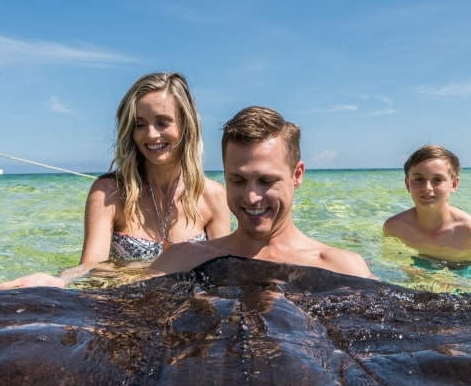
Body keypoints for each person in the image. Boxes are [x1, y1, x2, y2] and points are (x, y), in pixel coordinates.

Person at [0, 72, 230, 289]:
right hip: (126, 311)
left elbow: (222, 276)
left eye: (162, 122)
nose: (150, 134)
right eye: (139, 124)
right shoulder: (108, 192)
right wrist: (58, 281)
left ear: (186, 125)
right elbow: (91, 267)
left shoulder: (214, 196)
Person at [146, 106, 374, 279]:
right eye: (237, 180)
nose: (252, 197)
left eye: (266, 181)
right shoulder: (180, 261)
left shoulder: (342, 268)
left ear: (297, 174)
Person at [382, 145, 471, 265]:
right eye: (418, 179)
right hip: (423, 265)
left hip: (468, 271)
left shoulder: (470, 230)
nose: (427, 187)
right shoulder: (395, 227)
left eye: (437, 179)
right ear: (407, 184)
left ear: (454, 184)